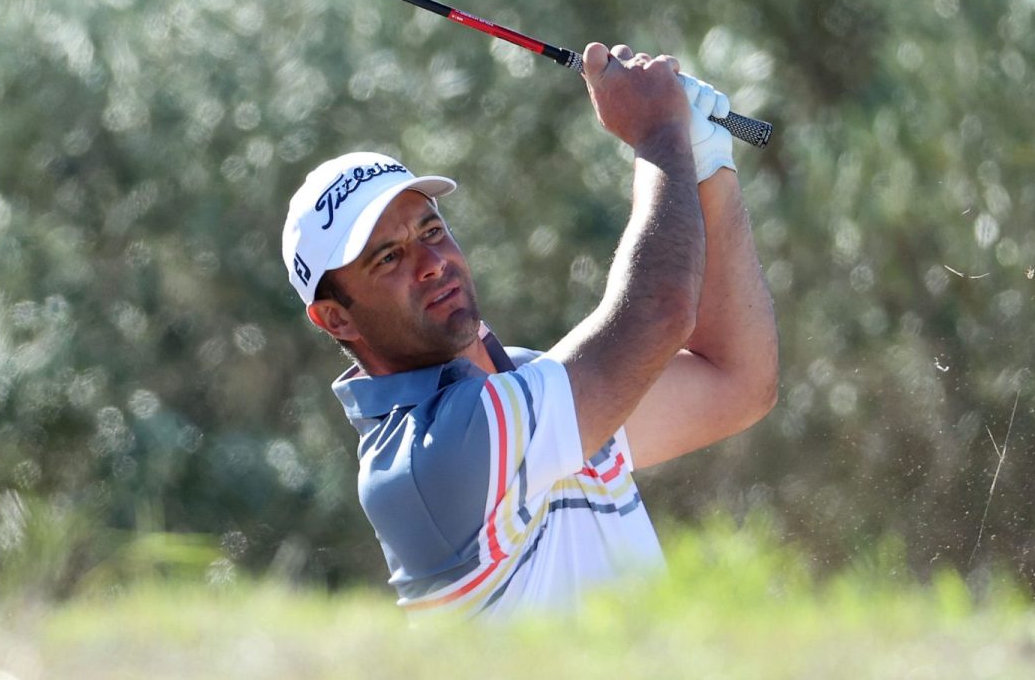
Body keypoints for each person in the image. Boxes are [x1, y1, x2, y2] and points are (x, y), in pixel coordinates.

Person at [280, 42, 779, 620]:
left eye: (431, 230)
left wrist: (708, 165)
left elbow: (738, 383)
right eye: (388, 258)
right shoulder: (426, 456)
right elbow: (660, 313)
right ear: (334, 317)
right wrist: (659, 137)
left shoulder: (526, 383)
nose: (431, 262)